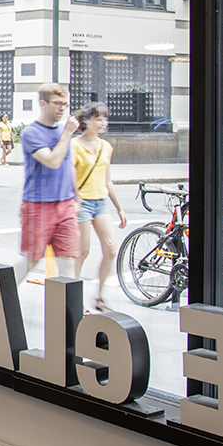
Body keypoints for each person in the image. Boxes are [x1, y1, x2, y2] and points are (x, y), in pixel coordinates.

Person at [18, 85, 79, 285]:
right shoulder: (31, 133)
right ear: (43, 104)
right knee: (31, 259)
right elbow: (53, 161)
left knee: (68, 259)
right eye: (57, 103)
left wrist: (76, 198)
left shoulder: (63, 131)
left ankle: (68, 312)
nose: (62, 108)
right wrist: (67, 134)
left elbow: (69, 165)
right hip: (38, 205)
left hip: (65, 204)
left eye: (65, 104)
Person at [71, 103, 128, 312]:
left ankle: (100, 298)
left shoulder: (106, 147)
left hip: (101, 204)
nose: (104, 123)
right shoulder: (74, 146)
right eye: (99, 119)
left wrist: (120, 208)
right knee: (82, 252)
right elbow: (71, 179)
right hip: (82, 205)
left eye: (105, 119)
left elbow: (108, 180)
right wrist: (76, 199)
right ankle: (74, 300)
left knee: (111, 249)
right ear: (86, 120)